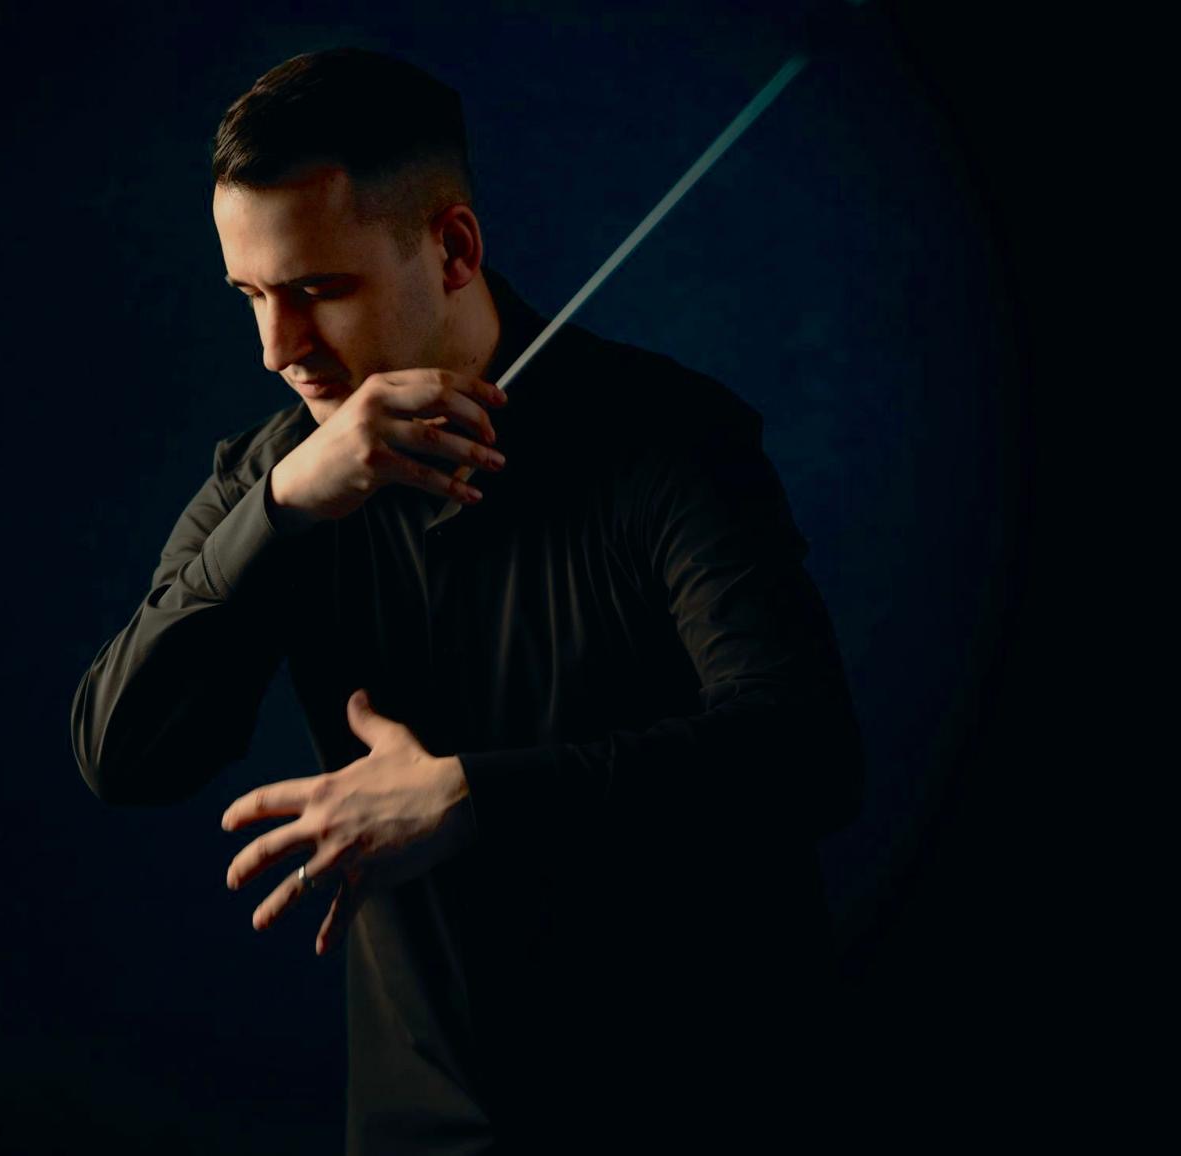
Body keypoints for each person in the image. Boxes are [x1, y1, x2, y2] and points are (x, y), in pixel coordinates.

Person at [70, 46, 865, 1155]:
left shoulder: (671, 443)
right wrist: (280, 508)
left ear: (450, 247)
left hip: (705, 1108)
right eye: (251, 296)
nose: (276, 349)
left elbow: (806, 752)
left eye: (316, 291)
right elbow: (124, 753)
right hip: (424, 1130)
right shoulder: (272, 477)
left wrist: (470, 798)